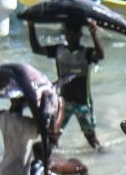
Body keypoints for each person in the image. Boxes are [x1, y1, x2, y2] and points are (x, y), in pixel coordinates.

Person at [28, 20, 104, 149]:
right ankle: (52, 163)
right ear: (65, 34)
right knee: (53, 136)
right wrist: (31, 26)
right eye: (69, 33)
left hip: (83, 104)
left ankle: (102, 157)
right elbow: (36, 49)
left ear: (80, 34)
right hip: (64, 102)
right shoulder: (58, 50)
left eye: (75, 33)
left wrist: (94, 34)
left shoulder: (86, 53)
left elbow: (100, 55)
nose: (72, 37)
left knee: (91, 139)